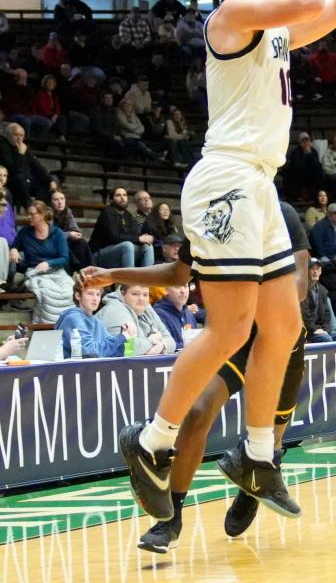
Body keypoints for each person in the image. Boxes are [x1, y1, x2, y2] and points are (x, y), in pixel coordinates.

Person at [116, 0, 336, 523]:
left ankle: (256, 455)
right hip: (225, 179)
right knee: (230, 328)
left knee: (284, 325)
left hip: (260, 184)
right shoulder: (230, 15)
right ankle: (151, 442)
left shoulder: (274, 28)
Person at [82, 199, 315, 552]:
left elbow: (297, 288)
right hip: (233, 332)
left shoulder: (281, 213)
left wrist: (246, 278)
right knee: (198, 411)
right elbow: (178, 273)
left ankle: (252, 484)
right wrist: (115, 275)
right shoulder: (217, 213)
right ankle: (170, 517)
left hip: (279, 335)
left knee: (270, 442)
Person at [11, 199, 74, 323]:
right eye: (28, 214)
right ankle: (47, 326)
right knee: (46, 292)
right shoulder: (25, 232)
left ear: (42, 215)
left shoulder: (57, 233)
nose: (29, 217)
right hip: (35, 271)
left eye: (32, 214)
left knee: (69, 290)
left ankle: (66, 325)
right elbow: (15, 246)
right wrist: (14, 249)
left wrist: (49, 263)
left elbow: (65, 258)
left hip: (56, 271)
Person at [56, 276, 135, 358]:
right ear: (78, 295)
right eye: (90, 294)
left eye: (98, 294)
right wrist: (122, 337)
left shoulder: (97, 322)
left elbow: (116, 353)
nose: (95, 298)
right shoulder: (73, 318)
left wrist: (128, 338)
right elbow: (90, 352)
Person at [97, 283, 176, 355]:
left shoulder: (146, 307)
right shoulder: (115, 310)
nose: (141, 298)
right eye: (135, 294)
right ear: (122, 294)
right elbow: (126, 348)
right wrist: (151, 341)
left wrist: (162, 346)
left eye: (145, 295)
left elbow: (171, 341)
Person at [89, 186, 155, 268]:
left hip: (120, 251)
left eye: (124, 195)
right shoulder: (107, 212)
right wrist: (139, 239)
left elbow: (133, 234)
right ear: (111, 200)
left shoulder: (127, 215)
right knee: (127, 245)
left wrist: (146, 238)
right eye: (118, 195)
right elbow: (115, 237)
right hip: (100, 254)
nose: (122, 198)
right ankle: (127, 280)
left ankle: (147, 279)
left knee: (147, 247)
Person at [51, 188, 93, 272]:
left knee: (82, 242)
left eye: (62, 199)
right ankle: (79, 269)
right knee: (64, 244)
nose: (60, 202)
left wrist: (75, 234)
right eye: (56, 199)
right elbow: (50, 235)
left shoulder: (67, 211)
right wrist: (69, 234)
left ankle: (90, 272)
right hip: (51, 244)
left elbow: (75, 229)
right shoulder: (47, 213)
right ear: (50, 202)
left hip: (65, 242)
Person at [153, 284, 199, 350]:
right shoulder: (158, 314)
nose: (183, 291)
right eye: (177, 286)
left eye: (185, 286)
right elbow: (164, 345)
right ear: (166, 290)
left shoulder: (189, 314)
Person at [301, 258, 335, 342]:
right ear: (307, 271)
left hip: (319, 329)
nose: (315, 272)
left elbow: (327, 315)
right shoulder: (302, 290)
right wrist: (314, 330)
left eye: (317, 269)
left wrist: (325, 330)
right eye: (312, 269)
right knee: (327, 339)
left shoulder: (322, 290)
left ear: (321, 271)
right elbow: (304, 314)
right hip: (307, 331)